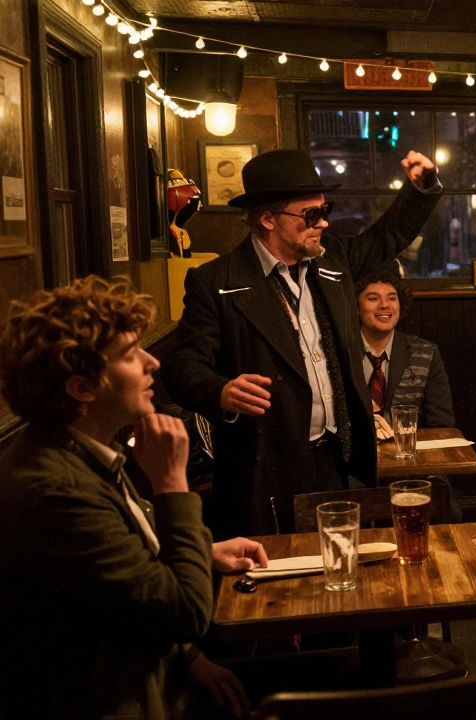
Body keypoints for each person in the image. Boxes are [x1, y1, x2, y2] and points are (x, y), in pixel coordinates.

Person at [0, 277, 269, 719]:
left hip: (163, 679)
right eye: (129, 355)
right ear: (82, 389)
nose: (152, 363)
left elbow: (124, 584)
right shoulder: (53, 490)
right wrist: (171, 481)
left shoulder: (79, 448)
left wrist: (204, 553)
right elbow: (183, 613)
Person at [162, 148, 441, 537]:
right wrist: (221, 391)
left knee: (338, 561)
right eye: (311, 215)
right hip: (266, 467)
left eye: (326, 209)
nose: (324, 223)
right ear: (267, 219)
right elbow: (181, 367)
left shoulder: (333, 261)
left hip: (333, 454)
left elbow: (388, 234)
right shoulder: (217, 281)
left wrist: (421, 188)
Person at [356, 265, 463, 522]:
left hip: (411, 471)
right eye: (373, 298)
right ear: (355, 306)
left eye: (391, 298)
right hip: (354, 470)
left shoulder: (425, 353)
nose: (384, 305)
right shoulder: (338, 353)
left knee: (449, 512)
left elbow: (442, 426)